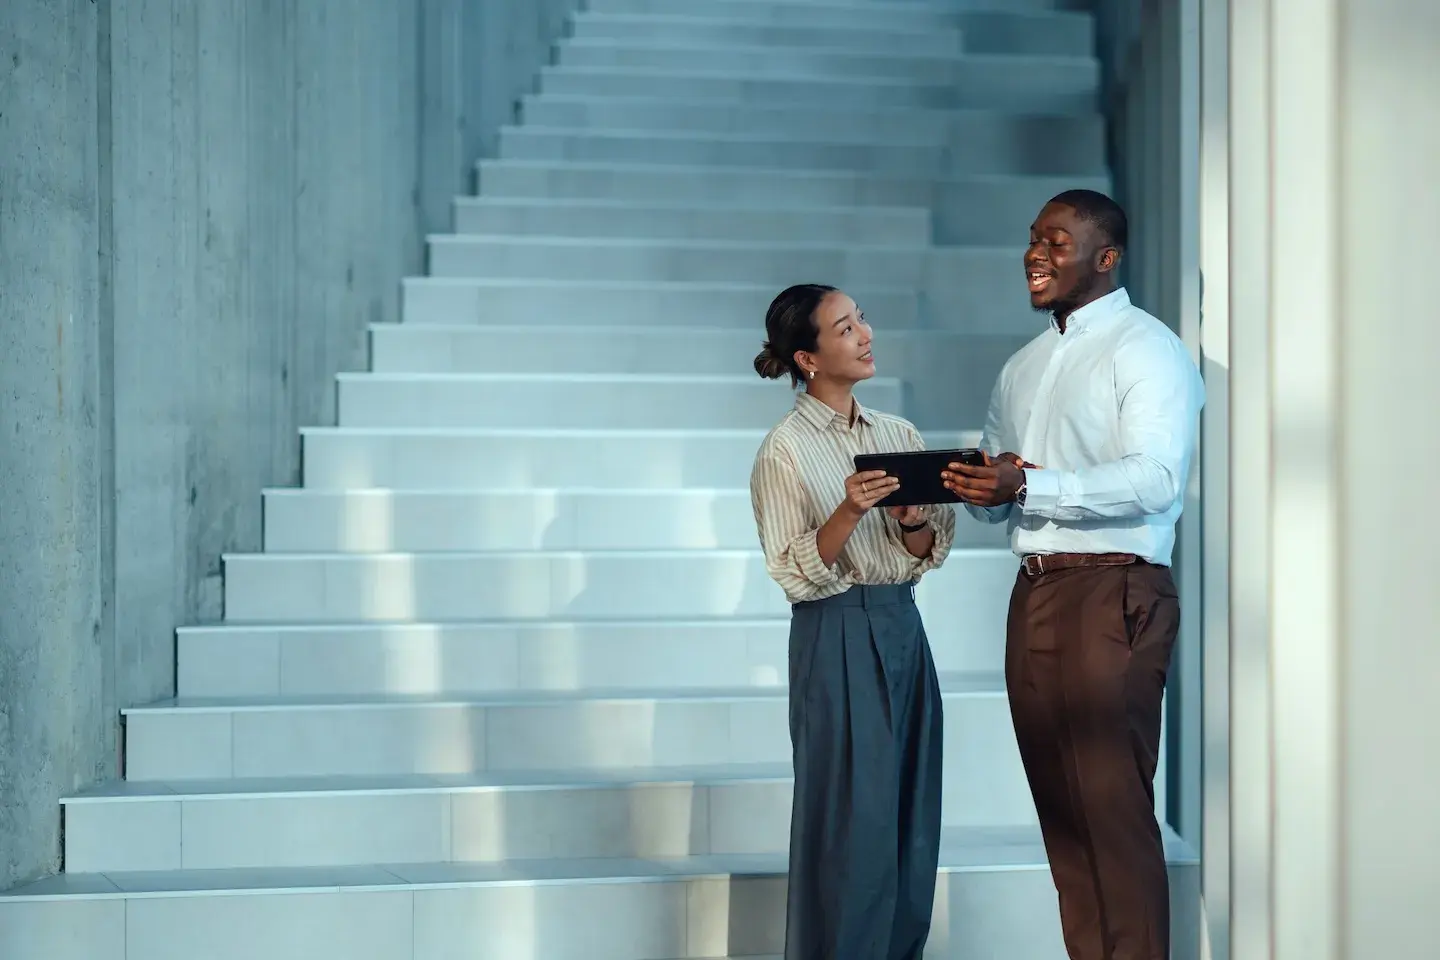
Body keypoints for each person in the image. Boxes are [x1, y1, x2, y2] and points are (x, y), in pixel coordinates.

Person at [941, 190, 1204, 960]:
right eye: (1031, 241)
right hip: (1036, 594)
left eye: (1056, 242)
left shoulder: (1145, 348)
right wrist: (978, 488)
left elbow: (1158, 479)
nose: (1035, 254)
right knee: (1063, 816)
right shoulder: (1021, 367)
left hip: (1113, 591)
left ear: (1105, 257)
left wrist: (1033, 485)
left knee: (1113, 817)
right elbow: (1004, 500)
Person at [749, 283, 957, 960]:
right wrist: (846, 512)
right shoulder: (783, 451)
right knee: (850, 829)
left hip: (903, 629)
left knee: (910, 820)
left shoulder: (898, 435)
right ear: (808, 358)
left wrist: (913, 520)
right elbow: (791, 571)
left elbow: (929, 552)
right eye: (844, 327)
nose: (865, 333)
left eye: (861, 319)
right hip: (833, 631)